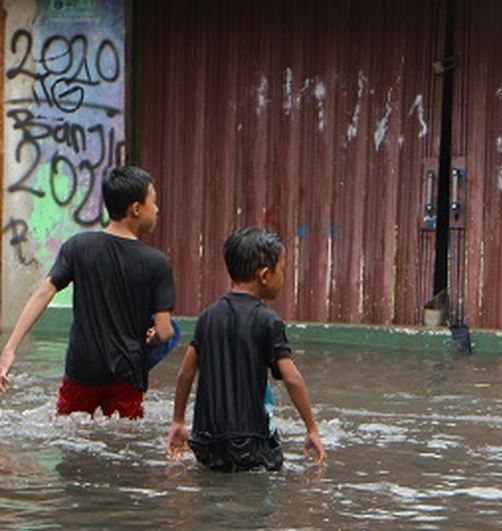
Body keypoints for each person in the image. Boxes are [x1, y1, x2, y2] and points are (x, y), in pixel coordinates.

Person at [0, 165, 174, 418]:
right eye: (153, 203)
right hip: (127, 373)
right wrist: (155, 336)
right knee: (124, 442)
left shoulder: (78, 247)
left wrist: (10, 348)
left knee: (69, 432)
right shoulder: (157, 263)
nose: (157, 210)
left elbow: (43, 293)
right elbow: (165, 330)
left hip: (82, 369)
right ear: (136, 209)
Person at [167, 227, 325, 471]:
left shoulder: (207, 317)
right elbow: (292, 379)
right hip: (250, 444)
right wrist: (312, 429)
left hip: (205, 442)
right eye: (282, 270)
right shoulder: (268, 321)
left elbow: (186, 372)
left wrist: (178, 420)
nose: (283, 277)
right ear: (264, 275)